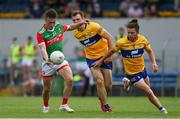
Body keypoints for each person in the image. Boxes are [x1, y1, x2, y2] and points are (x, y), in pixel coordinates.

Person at [93, 19, 168, 114]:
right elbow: (111, 51)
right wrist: (101, 60)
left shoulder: (142, 40)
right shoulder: (121, 43)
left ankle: (128, 83)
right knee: (149, 91)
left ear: (137, 32)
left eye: (132, 33)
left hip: (142, 70)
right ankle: (162, 109)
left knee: (149, 92)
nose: (130, 35)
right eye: (128, 32)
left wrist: (154, 63)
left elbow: (150, 51)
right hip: (132, 73)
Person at [36, 8, 88, 113]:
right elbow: (43, 48)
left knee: (70, 80)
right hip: (48, 62)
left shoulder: (59, 27)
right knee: (47, 89)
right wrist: (47, 59)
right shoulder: (40, 33)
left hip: (60, 60)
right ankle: (46, 106)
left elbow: (71, 27)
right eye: (50, 22)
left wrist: (82, 22)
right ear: (45, 20)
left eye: (53, 22)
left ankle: (64, 105)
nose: (52, 24)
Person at [71, 10, 113, 112]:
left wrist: (109, 55)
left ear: (83, 19)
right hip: (91, 58)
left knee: (108, 85)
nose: (76, 21)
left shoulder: (94, 26)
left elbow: (109, 37)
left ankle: (102, 99)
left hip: (105, 56)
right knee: (99, 81)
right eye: (74, 20)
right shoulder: (75, 33)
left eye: (78, 19)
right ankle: (106, 105)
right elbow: (87, 43)